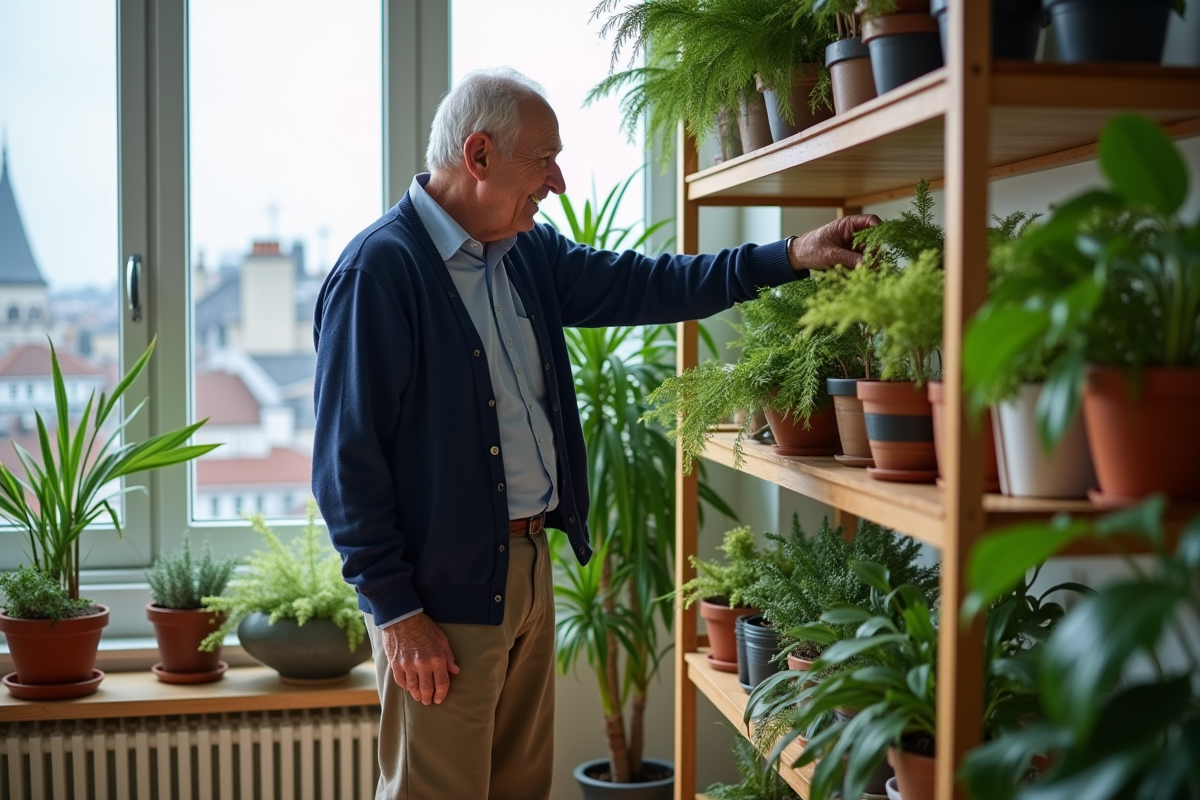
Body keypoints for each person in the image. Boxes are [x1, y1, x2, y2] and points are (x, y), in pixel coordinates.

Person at [311, 66, 879, 800]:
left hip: (527, 567)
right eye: (543, 161)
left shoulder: (526, 256)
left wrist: (789, 255)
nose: (559, 183)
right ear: (478, 156)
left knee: (520, 788)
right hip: (439, 598)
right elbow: (344, 464)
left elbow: (650, 282)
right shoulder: (380, 270)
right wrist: (396, 610)